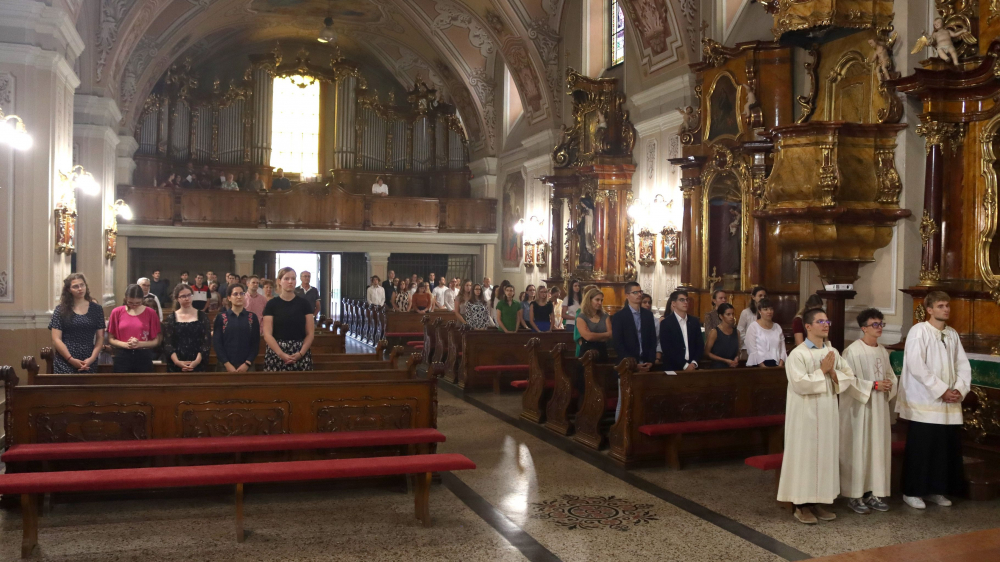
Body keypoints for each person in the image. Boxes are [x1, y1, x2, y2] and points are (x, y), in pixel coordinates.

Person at [778, 308, 855, 525]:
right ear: (808, 327)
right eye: (820, 321)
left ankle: (818, 501)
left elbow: (848, 377)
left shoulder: (832, 351)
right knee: (805, 457)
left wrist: (832, 372)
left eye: (827, 321)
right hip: (805, 415)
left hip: (827, 412)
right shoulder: (798, 354)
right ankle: (801, 505)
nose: (826, 324)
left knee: (823, 457)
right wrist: (822, 371)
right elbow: (799, 384)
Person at [896, 291, 971, 509]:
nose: (946, 309)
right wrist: (941, 390)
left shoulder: (952, 334)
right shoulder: (919, 331)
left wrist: (958, 389)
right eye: (940, 306)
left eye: (947, 305)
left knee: (942, 448)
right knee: (922, 448)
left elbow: (962, 365)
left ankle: (936, 489)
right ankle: (912, 491)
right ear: (929, 309)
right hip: (926, 401)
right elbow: (917, 365)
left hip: (948, 403)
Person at [840, 307, 897, 515]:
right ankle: (854, 495)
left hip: (879, 409)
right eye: (875, 324)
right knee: (859, 449)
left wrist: (889, 384)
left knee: (876, 449)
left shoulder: (882, 351)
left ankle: (873, 493)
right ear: (864, 328)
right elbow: (848, 381)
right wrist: (873, 385)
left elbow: (890, 375)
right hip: (859, 410)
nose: (879, 327)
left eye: (881, 324)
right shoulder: (852, 351)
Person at [611, 282, 657, 421]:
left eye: (640, 292)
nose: (639, 295)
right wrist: (632, 363)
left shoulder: (648, 315)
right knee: (624, 401)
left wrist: (650, 361)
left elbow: (652, 340)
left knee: (643, 401)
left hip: (646, 364)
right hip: (627, 364)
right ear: (627, 295)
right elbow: (618, 343)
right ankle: (619, 430)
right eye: (635, 292)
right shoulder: (619, 316)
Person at [49, 273, 105, 374]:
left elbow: (100, 337)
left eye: (82, 285)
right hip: (65, 359)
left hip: (88, 359)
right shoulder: (60, 310)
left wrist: (92, 358)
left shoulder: (97, 309)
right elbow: (56, 339)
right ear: (69, 289)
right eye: (75, 286)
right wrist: (70, 359)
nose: (80, 289)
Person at [262, 267, 315, 371]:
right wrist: (281, 354)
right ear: (279, 281)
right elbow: (267, 334)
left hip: (300, 350)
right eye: (286, 279)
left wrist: (301, 353)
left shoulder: (304, 304)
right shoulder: (272, 304)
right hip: (276, 351)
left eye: (293, 278)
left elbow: (310, 333)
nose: (290, 282)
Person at [107, 284, 162, 373]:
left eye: (138, 303)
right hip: (122, 354)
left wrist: (139, 344)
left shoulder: (150, 313)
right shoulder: (116, 312)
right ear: (126, 298)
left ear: (142, 299)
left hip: (143, 355)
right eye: (130, 302)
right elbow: (111, 338)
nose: (134, 305)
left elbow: (156, 341)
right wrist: (125, 344)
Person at [162, 283, 212, 372]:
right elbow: (168, 343)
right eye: (183, 296)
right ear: (177, 298)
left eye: (189, 295)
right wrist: (177, 362)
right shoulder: (171, 318)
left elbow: (206, 342)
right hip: (176, 363)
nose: (187, 298)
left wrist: (196, 362)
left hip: (198, 362)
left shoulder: (202, 316)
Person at [213, 284, 261, 372]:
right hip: (224, 365)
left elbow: (255, 343)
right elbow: (217, 343)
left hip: (247, 365)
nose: (239, 297)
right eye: (235, 294)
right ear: (229, 298)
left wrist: (247, 363)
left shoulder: (252, 317)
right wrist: (227, 364)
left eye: (242, 293)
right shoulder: (221, 317)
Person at [659, 289, 703, 372]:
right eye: (682, 300)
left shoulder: (694, 321)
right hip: (673, 367)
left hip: (693, 366)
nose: (685, 302)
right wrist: (685, 365)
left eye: (687, 300)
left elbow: (699, 345)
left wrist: (694, 363)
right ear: (673, 303)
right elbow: (667, 348)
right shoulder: (666, 323)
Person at [745, 298, 786, 367]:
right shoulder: (753, 327)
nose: (769, 312)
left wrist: (780, 365)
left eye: (771, 309)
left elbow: (782, 349)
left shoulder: (777, 327)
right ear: (759, 311)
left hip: (776, 365)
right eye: (765, 309)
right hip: (758, 365)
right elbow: (752, 350)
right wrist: (764, 367)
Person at [576, 288, 612, 361]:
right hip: (587, 352)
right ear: (589, 300)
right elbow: (588, 337)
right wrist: (605, 334)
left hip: (602, 350)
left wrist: (593, 335)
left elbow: (610, 334)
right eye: (597, 300)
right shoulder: (582, 317)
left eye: (601, 300)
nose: (600, 303)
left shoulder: (605, 316)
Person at [704, 303, 740, 369]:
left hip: (733, 367)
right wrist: (725, 360)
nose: (731, 317)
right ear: (721, 316)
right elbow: (707, 353)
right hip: (717, 368)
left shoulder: (736, 332)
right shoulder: (715, 332)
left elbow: (737, 351)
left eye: (733, 314)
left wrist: (736, 358)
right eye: (728, 314)